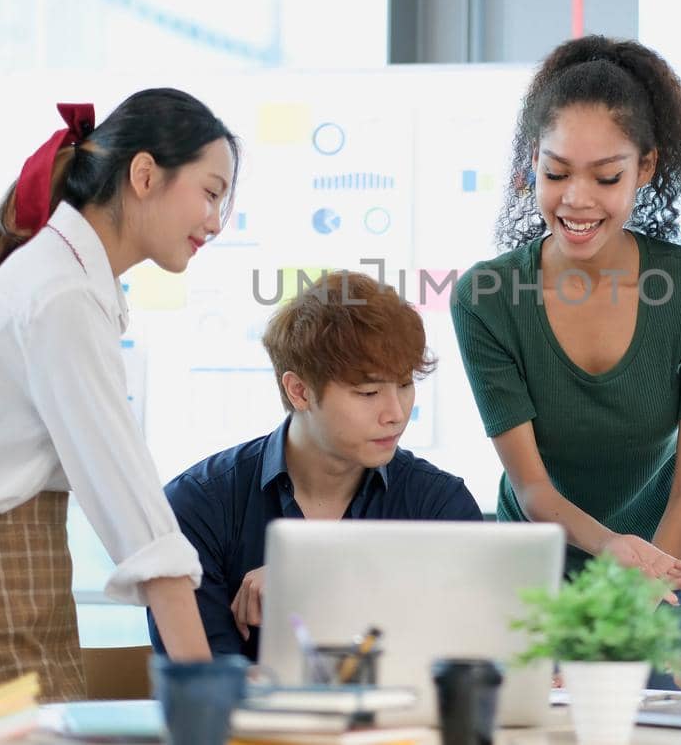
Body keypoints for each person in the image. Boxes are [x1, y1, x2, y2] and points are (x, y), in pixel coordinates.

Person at [0, 89, 238, 700]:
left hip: (2, 592)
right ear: (145, 174)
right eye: (209, 192)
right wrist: (206, 691)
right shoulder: (61, 296)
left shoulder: (65, 280)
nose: (216, 222)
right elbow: (133, 507)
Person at [450, 35, 681, 663]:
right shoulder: (487, 296)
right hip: (537, 569)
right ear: (532, 165)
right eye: (556, 174)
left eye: (606, 177)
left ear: (646, 168)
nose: (576, 200)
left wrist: (643, 585)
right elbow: (533, 490)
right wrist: (610, 555)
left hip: (668, 560)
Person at [151, 270, 484, 660]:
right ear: (300, 390)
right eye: (369, 392)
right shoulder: (199, 504)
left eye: (406, 385)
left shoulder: (439, 503)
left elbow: (471, 658)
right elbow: (206, 686)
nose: (396, 413)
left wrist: (316, 582)